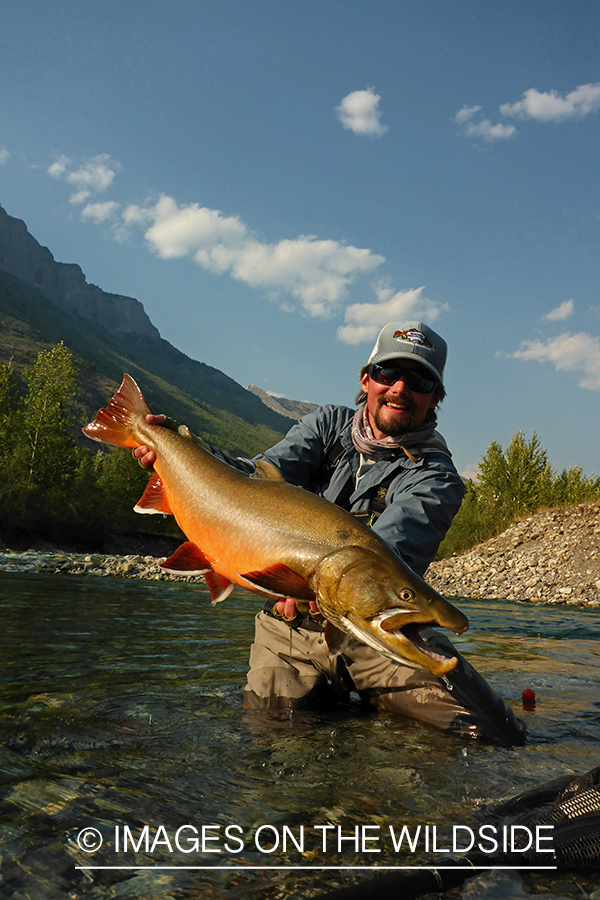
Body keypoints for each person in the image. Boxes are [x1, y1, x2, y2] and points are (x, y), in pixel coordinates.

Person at [134, 321, 526, 744]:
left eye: (418, 380)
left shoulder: (437, 477)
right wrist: (179, 446)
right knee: (269, 742)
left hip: (375, 634)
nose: (399, 388)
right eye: (387, 374)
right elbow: (253, 479)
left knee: (489, 734)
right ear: (366, 379)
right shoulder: (326, 427)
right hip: (287, 631)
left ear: (435, 396)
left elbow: (385, 561)